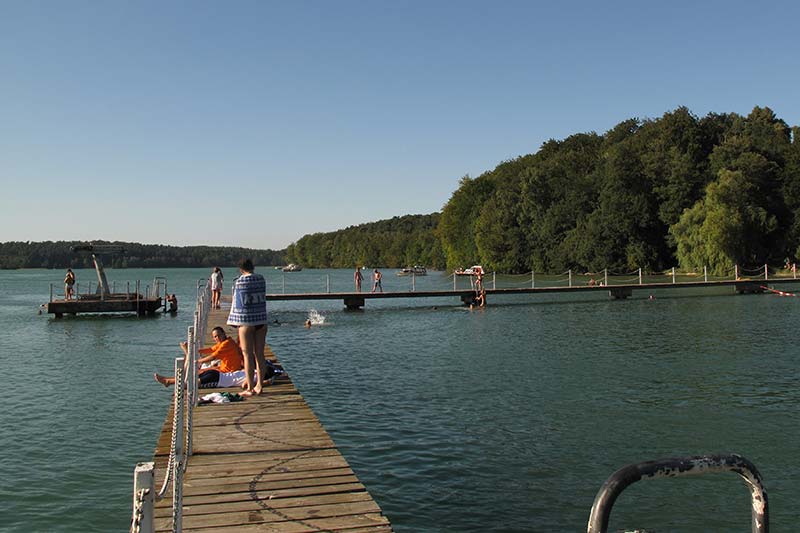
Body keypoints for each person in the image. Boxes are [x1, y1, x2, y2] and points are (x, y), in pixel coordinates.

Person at [228, 258, 268, 396]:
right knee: (260, 355)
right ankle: (260, 385)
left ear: (240, 269)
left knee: (247, 355)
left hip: (246, 321)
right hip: (261, 320)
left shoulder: (240, 281)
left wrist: (233, 321)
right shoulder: (261, 279)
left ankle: (250, 388)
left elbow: (237, 303)